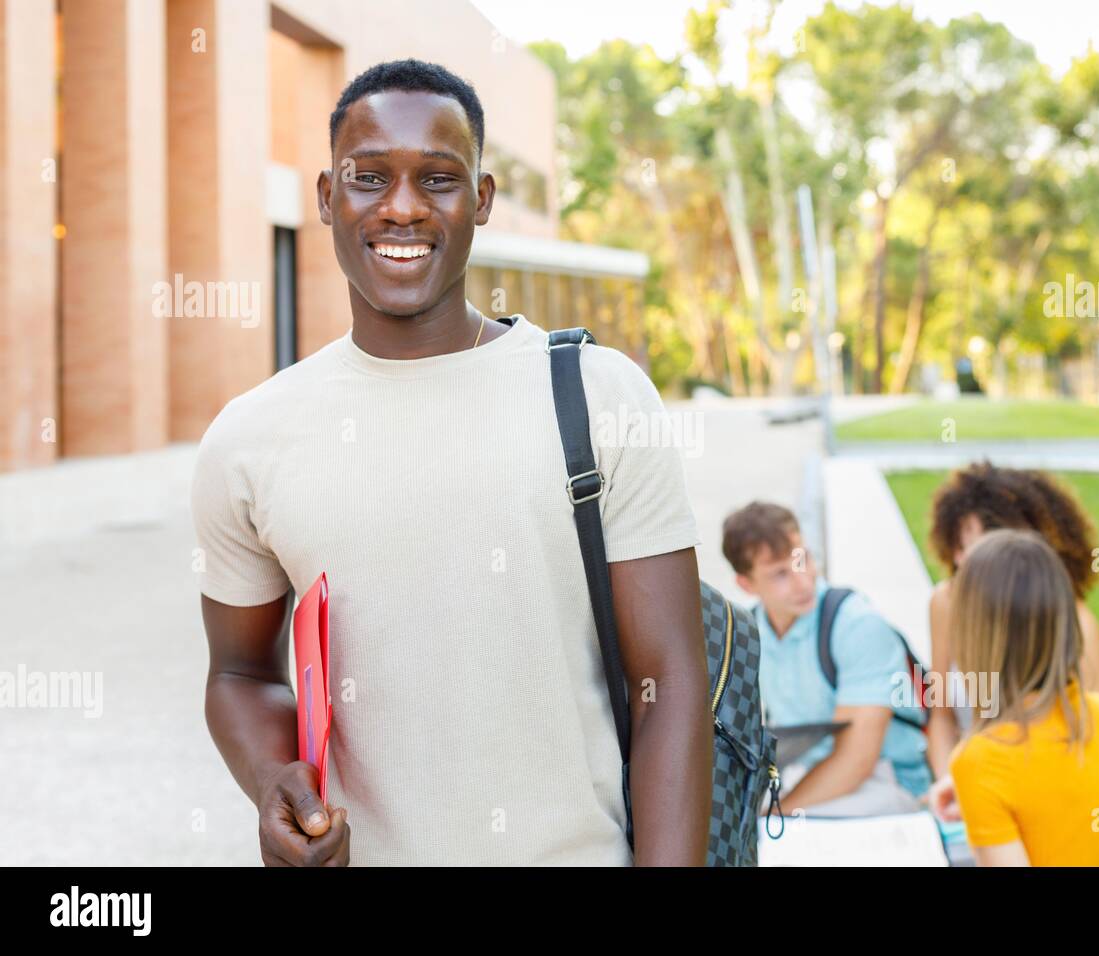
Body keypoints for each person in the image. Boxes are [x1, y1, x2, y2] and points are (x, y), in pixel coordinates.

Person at [191, 59, 711, 866]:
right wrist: (271, 782)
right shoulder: (250, 437)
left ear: (483, 198)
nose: (401, 207)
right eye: (370, 179)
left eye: (438, 179)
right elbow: (237, 674)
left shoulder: (600, 396)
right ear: (328, 197)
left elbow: (670, 687)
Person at [938, 529, 1099, 866]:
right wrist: (980, 805)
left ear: (974, 636)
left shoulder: (981, 761)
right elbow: (1060, 811)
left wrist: (979, 793)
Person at [721, 502, 930, 818]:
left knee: (762, 836)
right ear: (746, 584)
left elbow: (856, 759)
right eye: (780, 573)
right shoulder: (748, 633)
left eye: (802, 559)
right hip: (808, 773)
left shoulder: (855, 624)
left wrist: (776, 814)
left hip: (887, 778)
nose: (803, 581)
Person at [924, 462, 1099, 810]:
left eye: (978, 550)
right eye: (957, 548)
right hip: (967, 791)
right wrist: (948, 783)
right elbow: (941, 716)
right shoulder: (945, 603)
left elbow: (1094, 745)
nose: (963, 561)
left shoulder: (1076, 623)